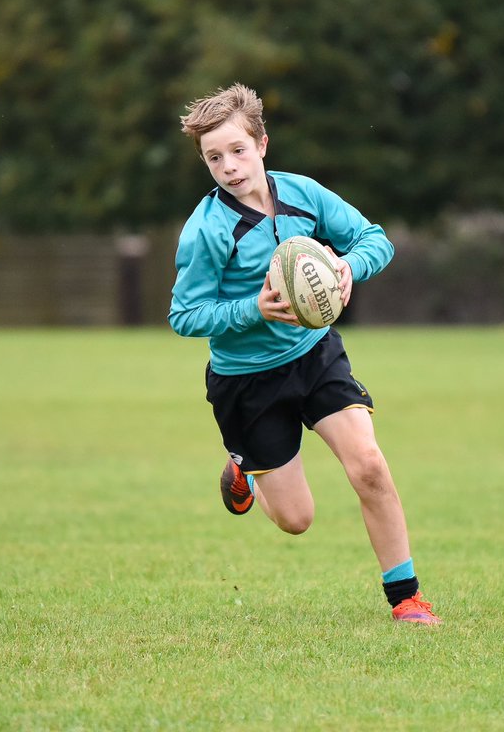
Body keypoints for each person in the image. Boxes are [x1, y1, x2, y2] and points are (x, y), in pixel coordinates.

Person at [168, 83, 440, 626]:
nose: (229, 166)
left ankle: (406, 597)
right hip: (247, 381)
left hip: (315, 357)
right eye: (214, 157)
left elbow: (374, 239)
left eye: (238, 150)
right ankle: (243, 466)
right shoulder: (205, 231)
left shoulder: (303, 195)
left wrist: (348, 267)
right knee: (296, 520)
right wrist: (255, 308)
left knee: (368, 464)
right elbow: (184, 315)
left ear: (262, 145)